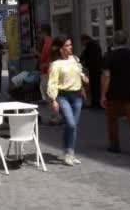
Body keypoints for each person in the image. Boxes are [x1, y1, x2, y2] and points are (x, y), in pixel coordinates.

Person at [101, 31, 130, 158]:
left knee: (112, 119)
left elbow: (106, 76)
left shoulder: (110, 56)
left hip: (114, 92)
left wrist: (103, 94)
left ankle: (114, 144)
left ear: (114, 41)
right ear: (126, 41)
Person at [47, 35, 86, 166]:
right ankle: (68, 152)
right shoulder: (55, 64)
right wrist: (53, 100)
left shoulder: (75, 59)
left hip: (77, 96)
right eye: (67, 46)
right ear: (60, 49)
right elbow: (52, 83)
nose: (71, 47)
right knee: (70, 123)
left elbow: (79, 72)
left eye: (71, 45)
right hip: (63, 96)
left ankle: (69, 152)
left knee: (73, 126)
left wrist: (84, 77)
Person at [38, 24, 61, 125]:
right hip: (46, 71)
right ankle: (55, 115)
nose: (39, 35)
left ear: (44, 32)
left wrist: (45, 65)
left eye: (40, 32)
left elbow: (52, 58)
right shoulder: (47, 42)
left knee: (49, 95)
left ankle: (56, 117)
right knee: (48, 95)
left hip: (48, 72)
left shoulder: (49, 43)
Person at [80, 35, 103, 108]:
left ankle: (95, 103)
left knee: (94, 86)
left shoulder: (90, 45)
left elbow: (84, 55)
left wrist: (79, 61)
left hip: (93, 68)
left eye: (83, 42)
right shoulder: (95, 44)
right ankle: (96, 102)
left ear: (85, 40)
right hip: (97, 68)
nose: (83, 44)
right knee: (96, 85)